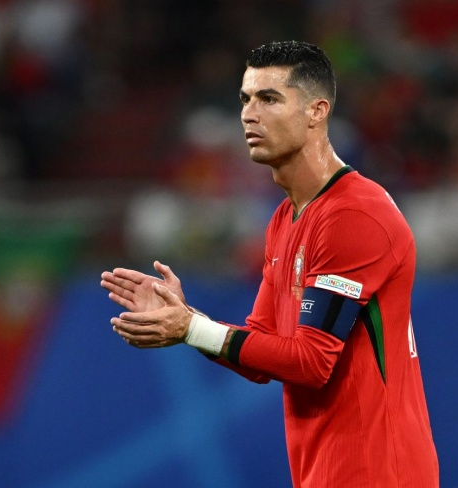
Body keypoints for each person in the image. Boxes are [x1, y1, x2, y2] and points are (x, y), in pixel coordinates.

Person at [101, 40, 439, 488]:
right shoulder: (285, 217)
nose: (248, 114)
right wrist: (185, 320)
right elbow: (262, 350)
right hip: (325, 473)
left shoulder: (354, 215)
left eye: (269, 99)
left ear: (317, 111)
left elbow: (312, 362)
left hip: (378, 474)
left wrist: (190, 328)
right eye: (245, 99)